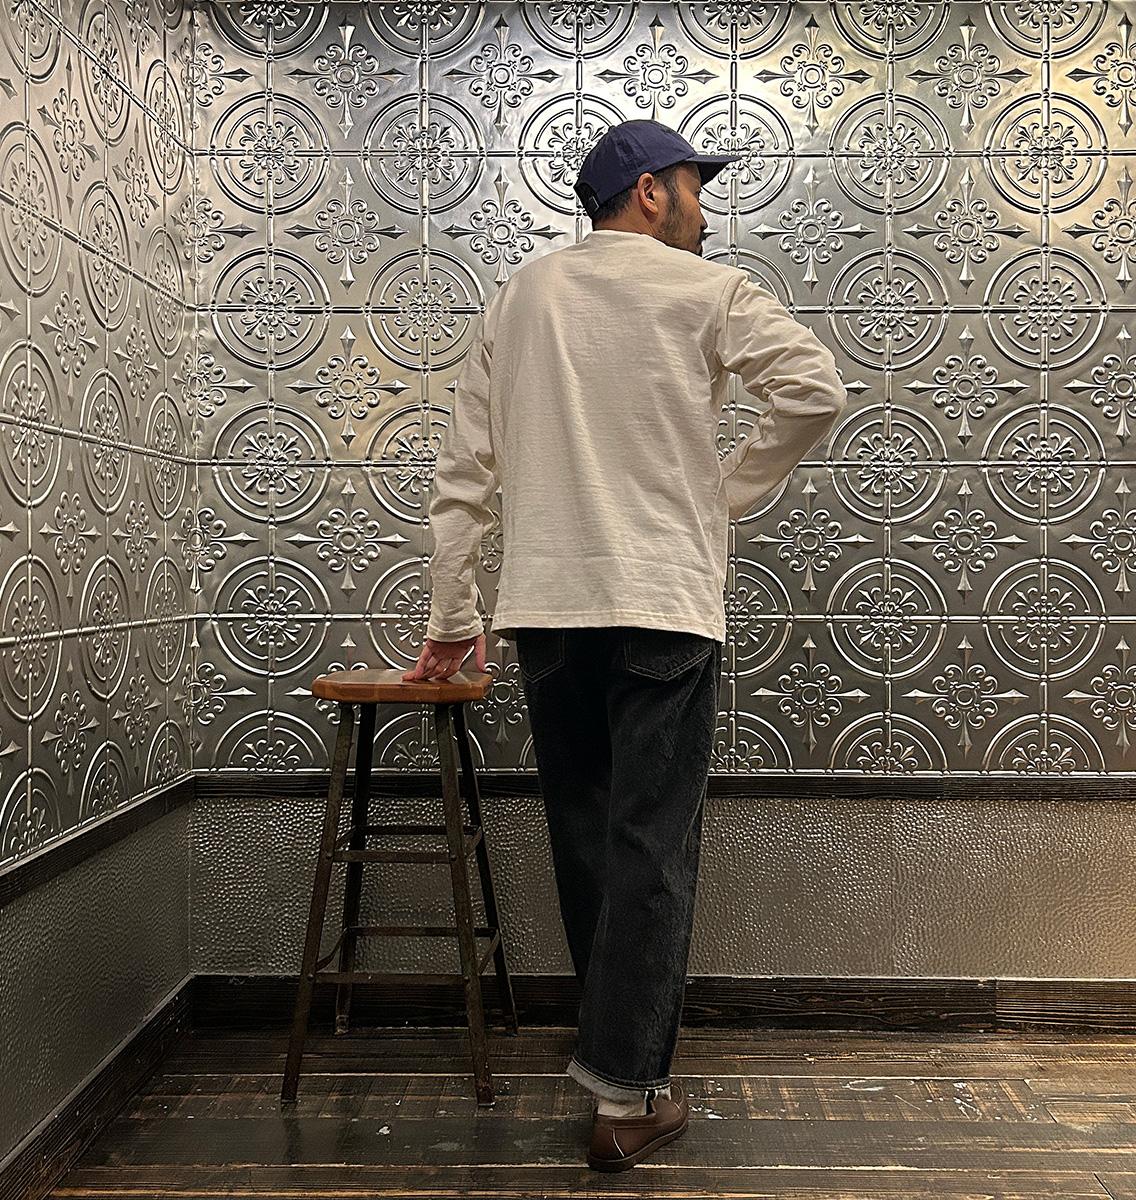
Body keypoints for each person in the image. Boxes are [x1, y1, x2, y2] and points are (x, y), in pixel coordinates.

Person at [402, 118, 848, 1171]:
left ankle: (613, 1058)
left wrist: (453, 619)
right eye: (694, 185)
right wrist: (719, 497)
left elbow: (465, 471)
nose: (703, 207)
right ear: (649, 192)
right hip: (662, 604)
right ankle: (627, 1092)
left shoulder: (520, 296)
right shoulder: (710, 291)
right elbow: (816, 390)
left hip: (548, 607)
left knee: (588, 834)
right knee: (653, 843)